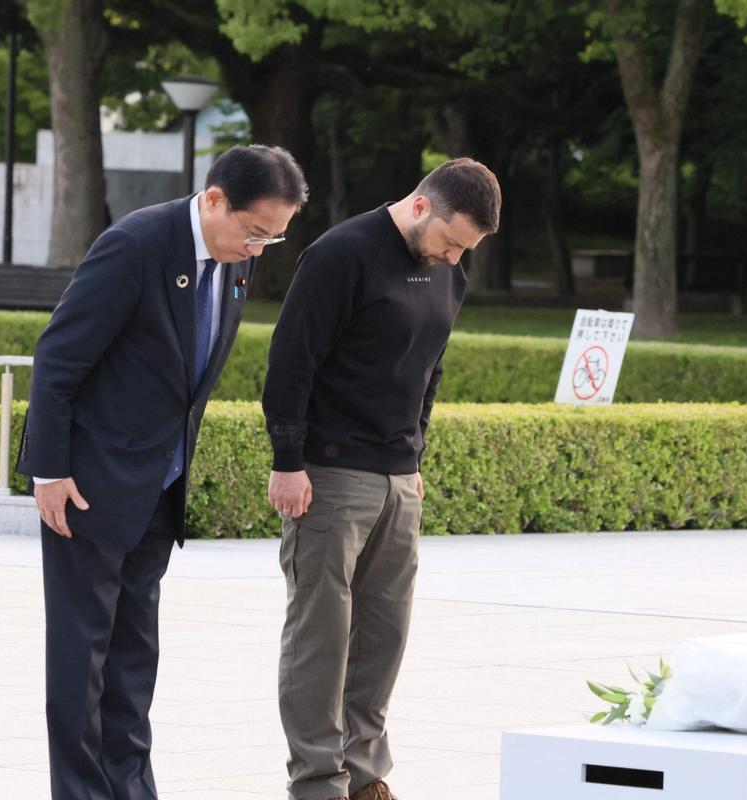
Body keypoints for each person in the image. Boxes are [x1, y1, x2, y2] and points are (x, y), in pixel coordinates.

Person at [17, 144, 308, 800]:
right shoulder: (136, 246)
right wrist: (49, 471)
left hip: (159, 485)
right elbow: (58, 358)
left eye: (275, 237)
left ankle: (131, 787)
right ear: (213, 201)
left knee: (133, 656)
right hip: (87, 485)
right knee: (81, 655)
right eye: (254, 231)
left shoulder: (234, 263)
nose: (260, 249)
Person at [263, 157, 502, 800]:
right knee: (321, 634)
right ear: (421, 206)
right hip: (330, 473)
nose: (454, 260)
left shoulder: (450, 274)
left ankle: (365, 775)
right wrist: (288, 461)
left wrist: (415, 459)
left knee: (384, 635)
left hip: (398, 476)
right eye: (451, 243)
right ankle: (318, 782)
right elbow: (290, 361)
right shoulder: (342, 254)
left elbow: (432, 368)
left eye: (466, 251)